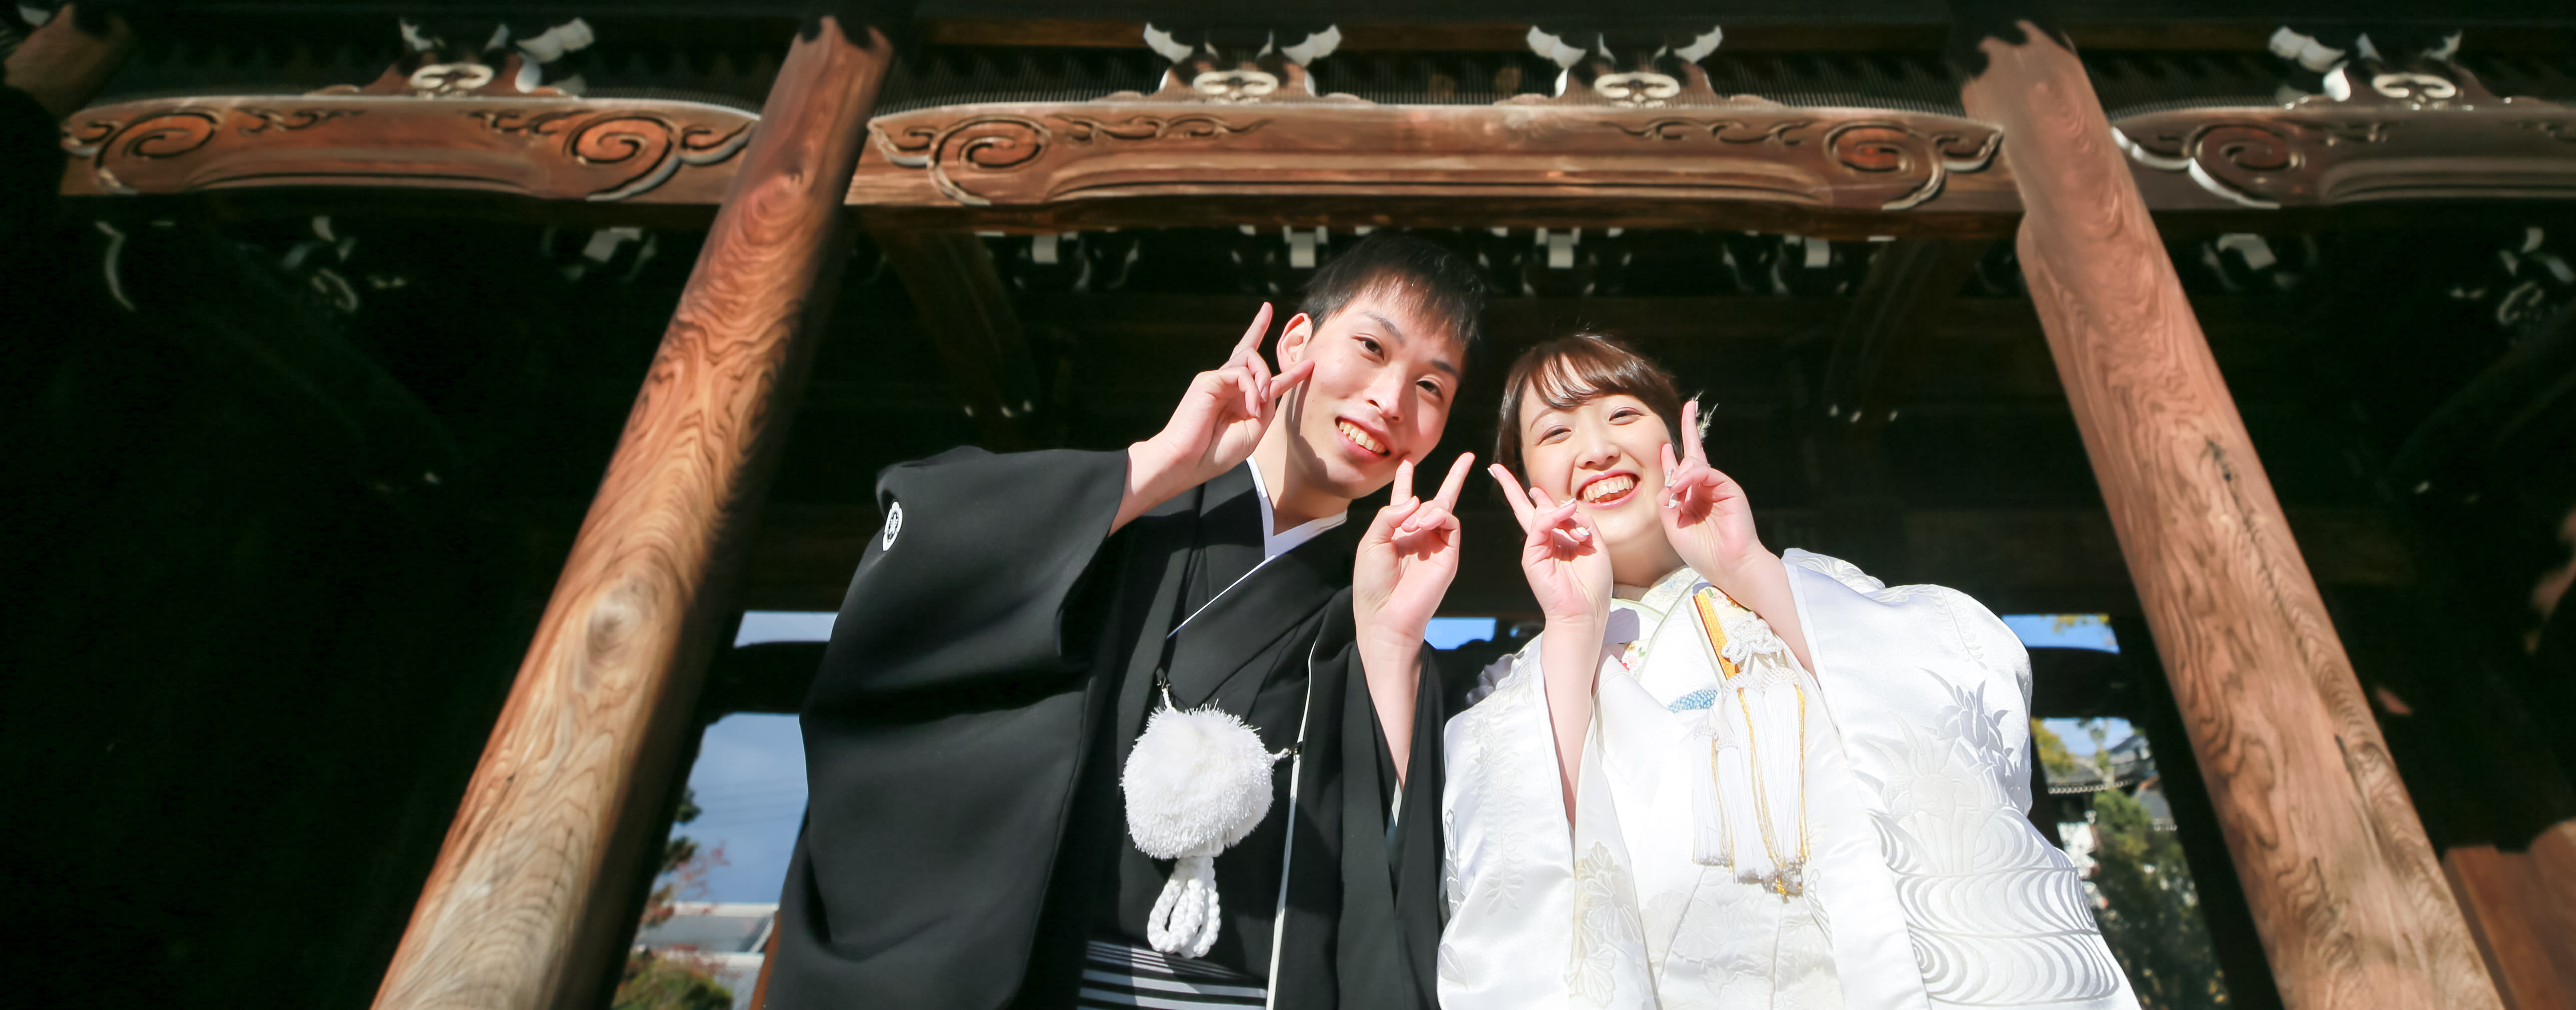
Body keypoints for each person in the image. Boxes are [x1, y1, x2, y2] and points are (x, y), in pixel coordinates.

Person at [771, 232, 1486, 1010]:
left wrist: (1390, 639)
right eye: (1372, 348)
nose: (1391, 399)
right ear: (1296, 342)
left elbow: (1404, 866)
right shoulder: (1127, 522)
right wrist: (1157, 466)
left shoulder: (1371, 616)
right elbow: (922, 566)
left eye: (1431, 387)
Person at [1441, 334, 2135, 1010]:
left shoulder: (1797, 590)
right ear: (1525, 482)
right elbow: (1514, 860)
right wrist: (1572, 627)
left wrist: (1749, 571)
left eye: (1622, 414)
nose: (1597, 449)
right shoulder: (1521, 683)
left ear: (1677, 440)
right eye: (1556, 432)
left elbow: (1955, 702)